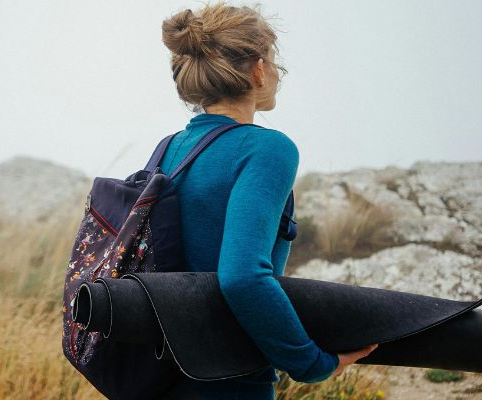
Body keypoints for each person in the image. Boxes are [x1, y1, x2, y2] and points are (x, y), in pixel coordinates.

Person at [157, 3, 378, 399]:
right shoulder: (265, 149)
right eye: (275, 61)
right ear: (258, 69)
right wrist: (311, 362)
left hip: (160, 374)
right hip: (230, 381)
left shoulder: (168, 150)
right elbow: (243, 277)